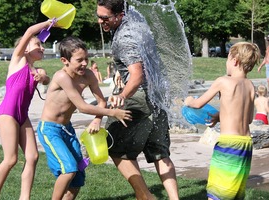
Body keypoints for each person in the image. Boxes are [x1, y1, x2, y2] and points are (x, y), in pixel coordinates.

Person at [96, 0, 179, 199]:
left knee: (113, 146)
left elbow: (137, 75)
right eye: (98, 16)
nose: (100, 21)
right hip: (157, 96)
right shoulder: (136, 21)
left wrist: (122, 95)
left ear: (119, 15)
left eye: (105, 18)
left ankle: (144, 195)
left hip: (138, 96)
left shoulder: (125, 38)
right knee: (160, 152)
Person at [36, 36, 131, 200]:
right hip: (50, 129)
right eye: (79, 60)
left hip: (67, 129)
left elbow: (102, 101)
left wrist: (97, 119)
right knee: (69, 169)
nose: (85, 63)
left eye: (86, 58)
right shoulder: (61, 77)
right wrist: (112, 113)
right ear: (65, 60)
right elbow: (82, 106)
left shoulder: (88, 75)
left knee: (77, 178)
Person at [184, 42, 261, 200]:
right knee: (234, 192)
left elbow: (198, 104)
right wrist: (221, 115)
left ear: (235, 60)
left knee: (217, 193)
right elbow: (248, 119)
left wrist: (189, 101)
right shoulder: (250, 85)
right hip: (246, 144)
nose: (226, 63)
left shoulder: (223, 81)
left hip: (228, 144)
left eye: (227, 59)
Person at [0, 20, 53, 200]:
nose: (42, 48)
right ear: (26, 48)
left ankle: (24, 198)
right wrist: (48, 23)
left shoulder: (37, 69)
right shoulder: (18, 60)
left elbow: (47, 79)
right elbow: (29, 31)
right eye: (38, 44)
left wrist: (43, 76)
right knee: (11, 159)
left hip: (23, 117)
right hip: (8, 114)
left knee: (33, 156)